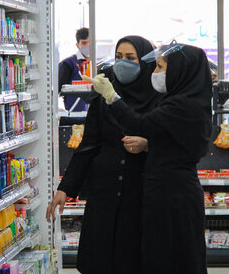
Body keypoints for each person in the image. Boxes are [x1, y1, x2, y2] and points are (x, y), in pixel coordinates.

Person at [84, 43, 212, 274]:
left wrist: (112, 97)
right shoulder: (188, 99)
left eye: (161, 67)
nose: (155, 72)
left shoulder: (181, 105)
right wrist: (150, 144)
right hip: (168, 190)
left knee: (172, 257)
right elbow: (174, 140)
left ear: (180, 71)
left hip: (172, 195)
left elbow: (140, 124)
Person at [47, 36, 162, 274]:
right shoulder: (104, 95)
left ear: (145, 62)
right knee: (100, 259)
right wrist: (65, 188)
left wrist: (148, 144)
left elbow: (170, 142)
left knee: (133, 260)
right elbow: (88, 145)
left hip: (140, 193)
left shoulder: (159, 99)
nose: (122, 63)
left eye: (131, 58)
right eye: (119, 57)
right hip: (104, 193)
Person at [58, 27, 91, 115]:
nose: (88, 45)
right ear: (77, 45)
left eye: (90, 42)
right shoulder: (68, 64)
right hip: (74, 115)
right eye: (84, 43)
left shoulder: (97, 64)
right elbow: (56, 91)